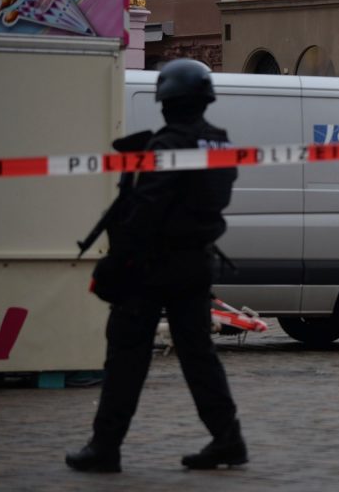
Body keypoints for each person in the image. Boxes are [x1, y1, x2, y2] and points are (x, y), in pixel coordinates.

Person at [66, 59, 245, 473]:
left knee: (126, 357)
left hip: (151, 267)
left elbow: (145, 211)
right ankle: (227, 438)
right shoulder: (219, 143)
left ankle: (105, 447)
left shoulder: (167, 146)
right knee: (199, 356)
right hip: (196, 262)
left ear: (167, 101)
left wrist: (116, 263)